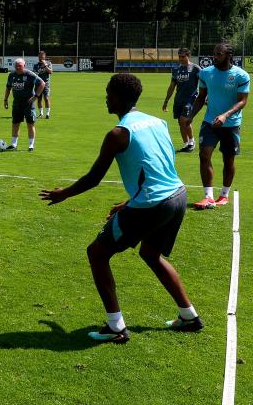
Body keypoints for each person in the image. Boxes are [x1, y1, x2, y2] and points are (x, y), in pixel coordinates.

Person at [40, 73, 203, 343]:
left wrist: (63, 194)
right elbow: (161, 169)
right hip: (177, 195)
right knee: (151, 254)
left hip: (152, 204)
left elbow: (94, 178)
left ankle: (116, 327)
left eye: (108, 93)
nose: (106, 97)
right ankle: (189, 315)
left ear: (117, 97)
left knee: (97, 253)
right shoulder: (158, 122)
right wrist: (129, 201)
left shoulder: (118, 134)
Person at [187, 42, 249, 209]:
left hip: (231, 124)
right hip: (210, 123)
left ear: (229, 56)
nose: (215, 57)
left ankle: (224, 195)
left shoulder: (241, 75)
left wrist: (225, 115)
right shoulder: (206, 73)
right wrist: (190, 116)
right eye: (214, 53)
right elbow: (201, 97)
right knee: (204, 155)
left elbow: (243, 101)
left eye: (219, 54)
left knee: (228, 160)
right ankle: (208, 196)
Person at [162, 47, 200, 153]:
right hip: (178, 99)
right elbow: (172, 86)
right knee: (180, 122)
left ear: (189, 56)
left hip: (191, 99)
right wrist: (166, 101)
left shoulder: (195, 68)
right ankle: (186, 144)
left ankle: (192, 141)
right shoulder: (176, 70)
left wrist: (204, 96)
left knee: (185, 120)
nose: (181, 58)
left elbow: (203, 82)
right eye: (179, 56)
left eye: (183, 56)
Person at [3, 59, 45, 151]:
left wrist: (36, 96)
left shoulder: (29, 75)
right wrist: (5, 99)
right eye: (16, 66)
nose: (18, 67)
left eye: (20, 66)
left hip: (28, 104)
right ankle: (13, 144)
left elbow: (42, 83)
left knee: (30, 124)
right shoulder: (12, 75)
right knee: (15, 123)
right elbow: (8, 87)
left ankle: (31, 145)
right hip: (17, 103)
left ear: (24, 66)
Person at [33, 51, 53, 119]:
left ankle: (47, 114)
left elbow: (50, 72)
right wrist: (37, 73)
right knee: (39, 99)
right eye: (40, 56)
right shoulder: (36, 65)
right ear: (38, 56)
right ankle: (41, 113)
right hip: (38, 84)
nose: (41, 57)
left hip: (46, 84)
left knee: (46, 98)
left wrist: (45, 65)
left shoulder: (48, 63)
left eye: (42, 56)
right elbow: (34, 75)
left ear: (45, 56)